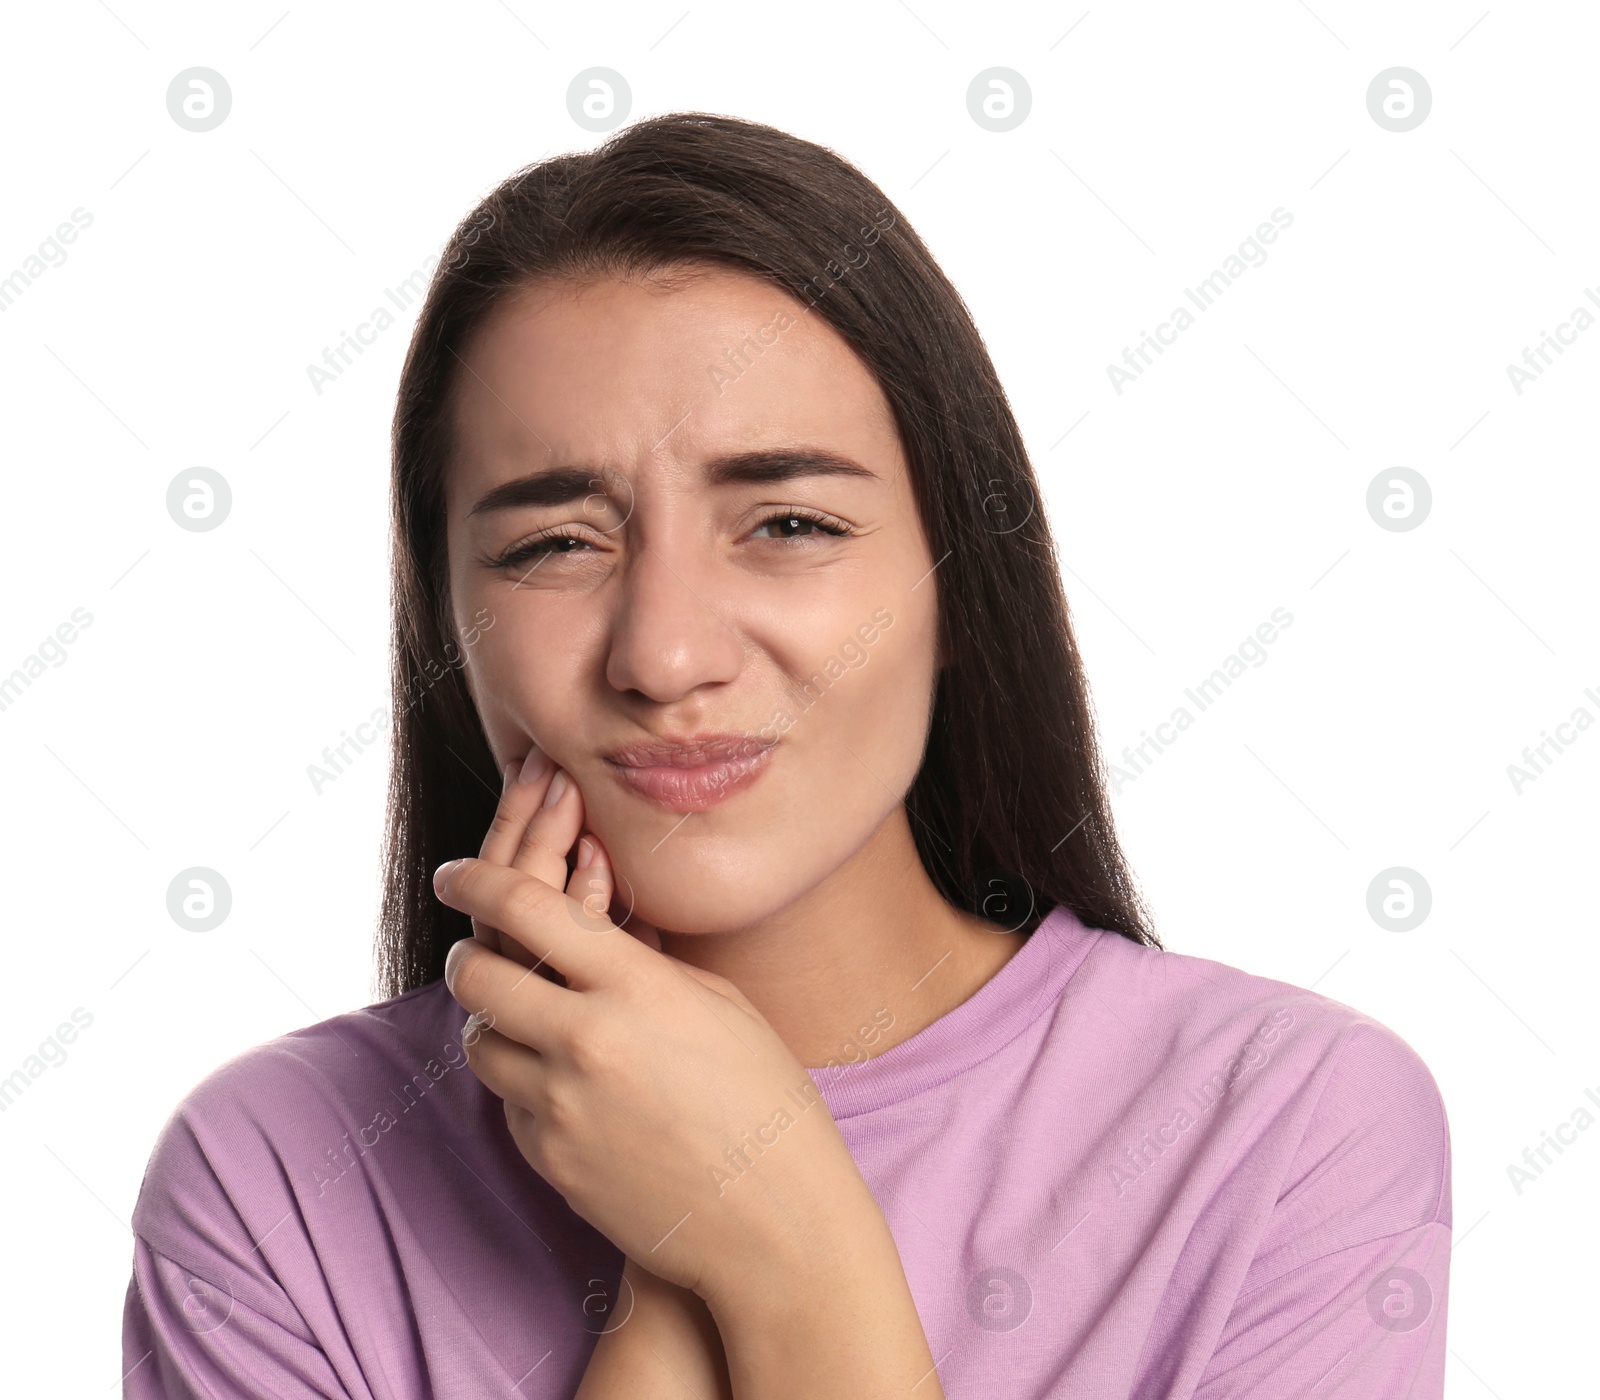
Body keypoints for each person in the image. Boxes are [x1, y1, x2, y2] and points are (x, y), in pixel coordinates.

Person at [121, 112, 1451, 1398]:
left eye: (791, 524)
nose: (666, 652)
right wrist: (681, 1280)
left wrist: (788, 1252)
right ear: (447, 622)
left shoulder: (1287, 1128)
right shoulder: (276, 1178)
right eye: (554, 545)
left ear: (955, 585)